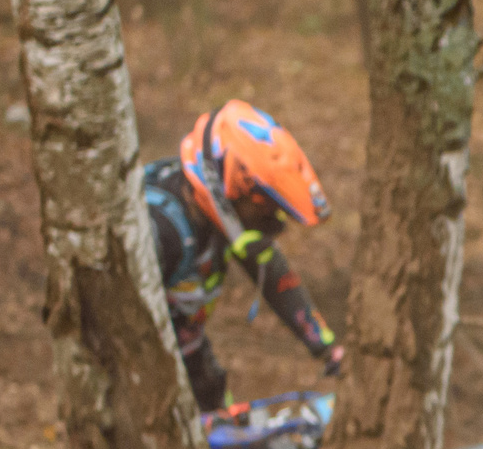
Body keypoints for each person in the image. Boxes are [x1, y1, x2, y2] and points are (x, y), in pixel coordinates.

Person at [144, 100, 344, 411]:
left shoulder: (220, 220)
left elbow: (271, 269)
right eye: (262, 205)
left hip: (192, 361)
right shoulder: (159, 230)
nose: (270, 218)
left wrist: (326, 347)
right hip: (143, 378)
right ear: (225, 186)